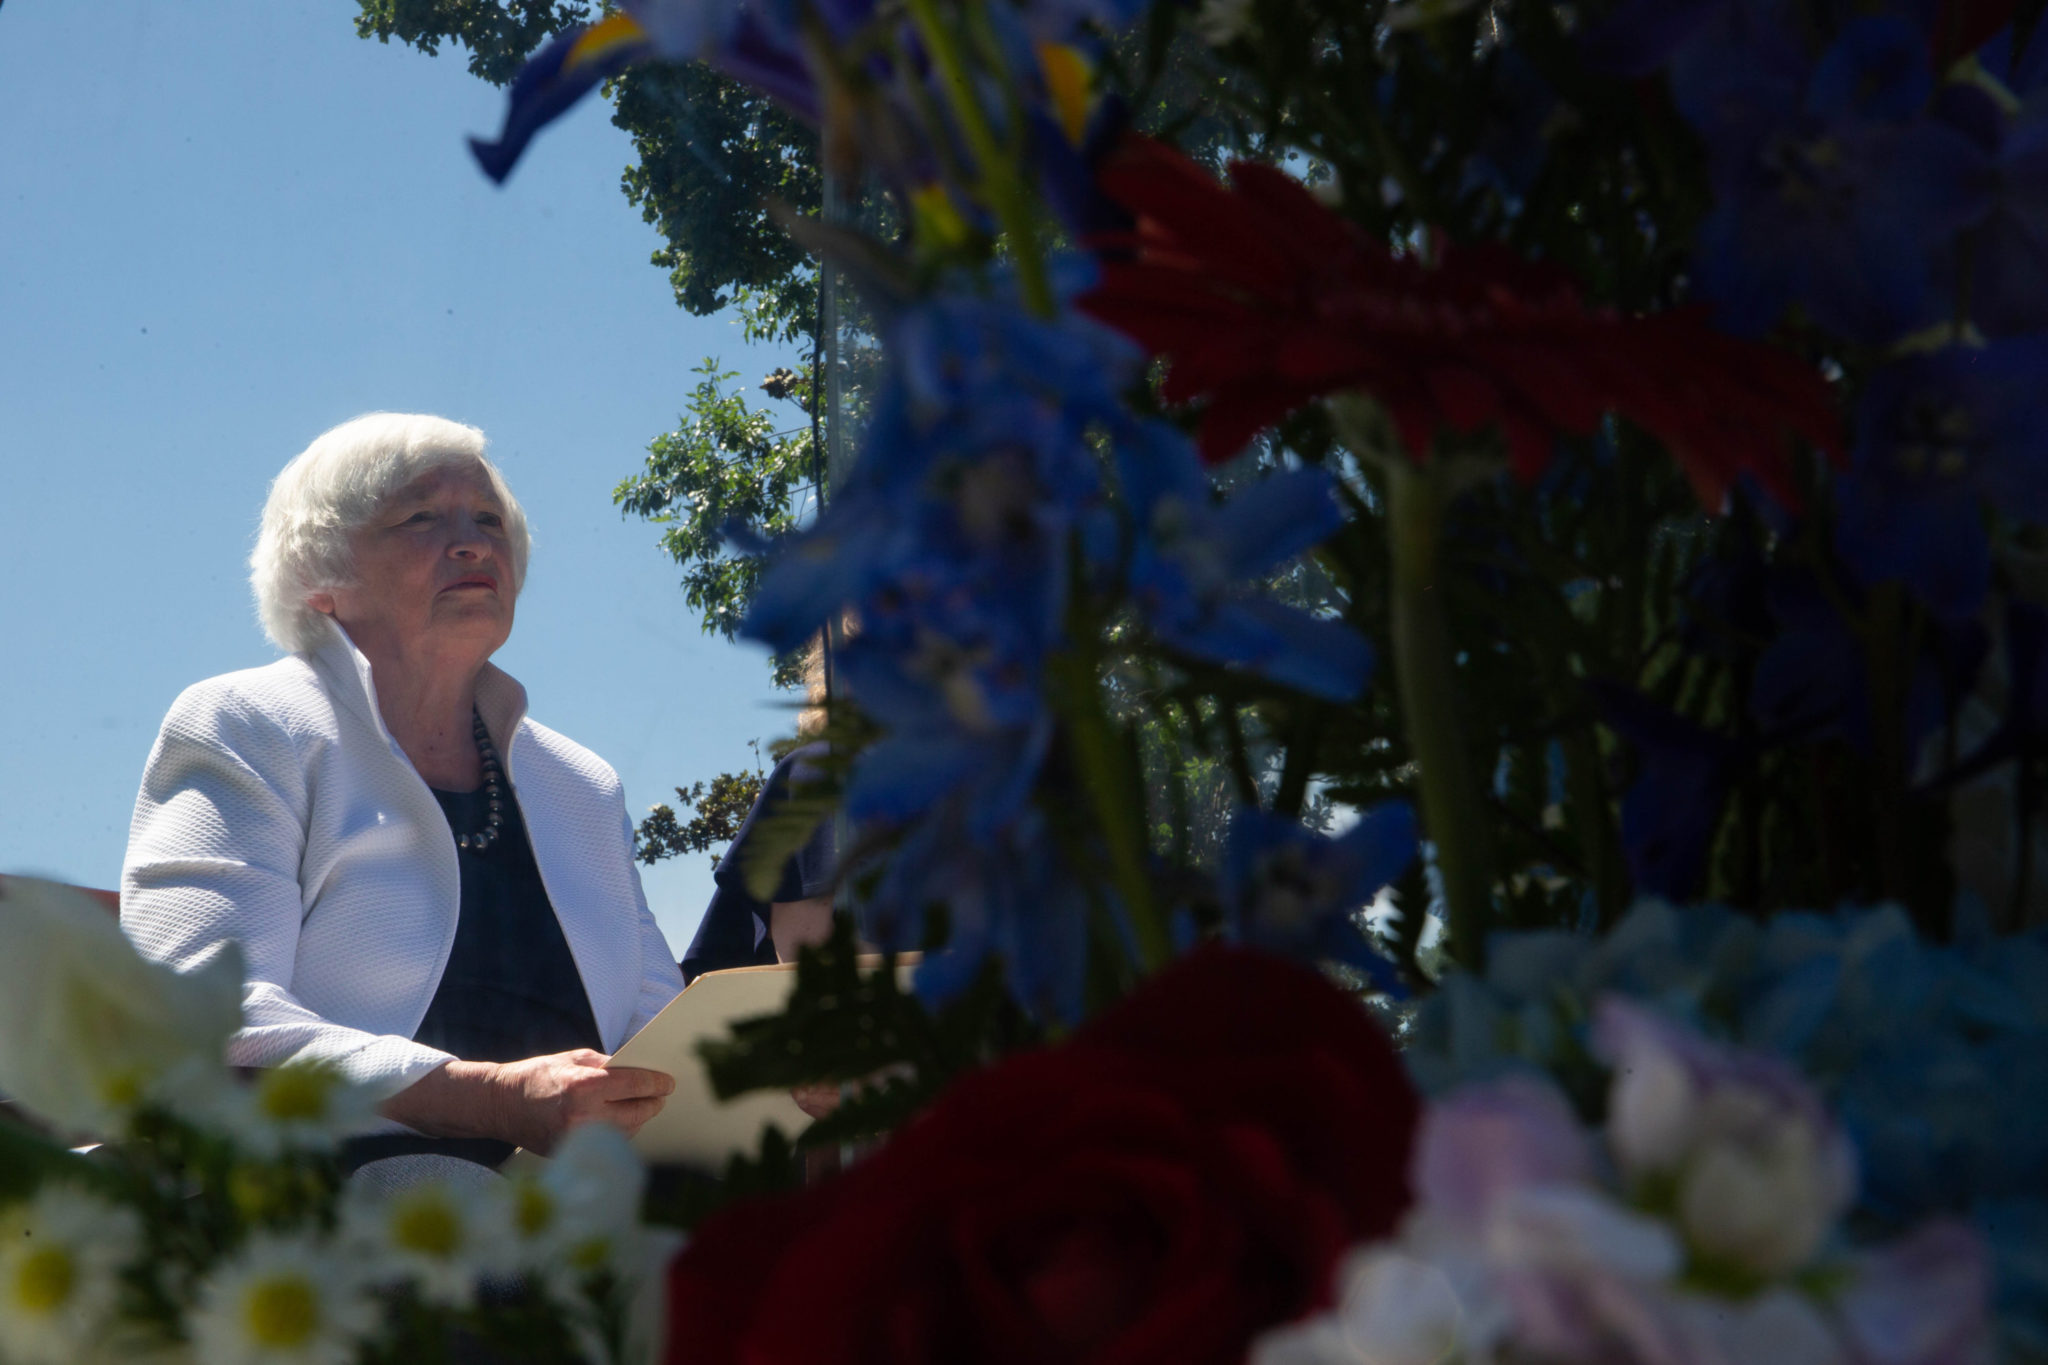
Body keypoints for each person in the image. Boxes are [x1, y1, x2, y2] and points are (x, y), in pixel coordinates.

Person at [120, 414, 683, 1181]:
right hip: (340, 1190)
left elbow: (661, 1027)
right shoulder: (247, 725)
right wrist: (491, 1095)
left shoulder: (581, 783)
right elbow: (204, 1017)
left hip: (576, 1197)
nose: (474, 543)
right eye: (421, 517)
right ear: (319, 576)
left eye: (488, 520)